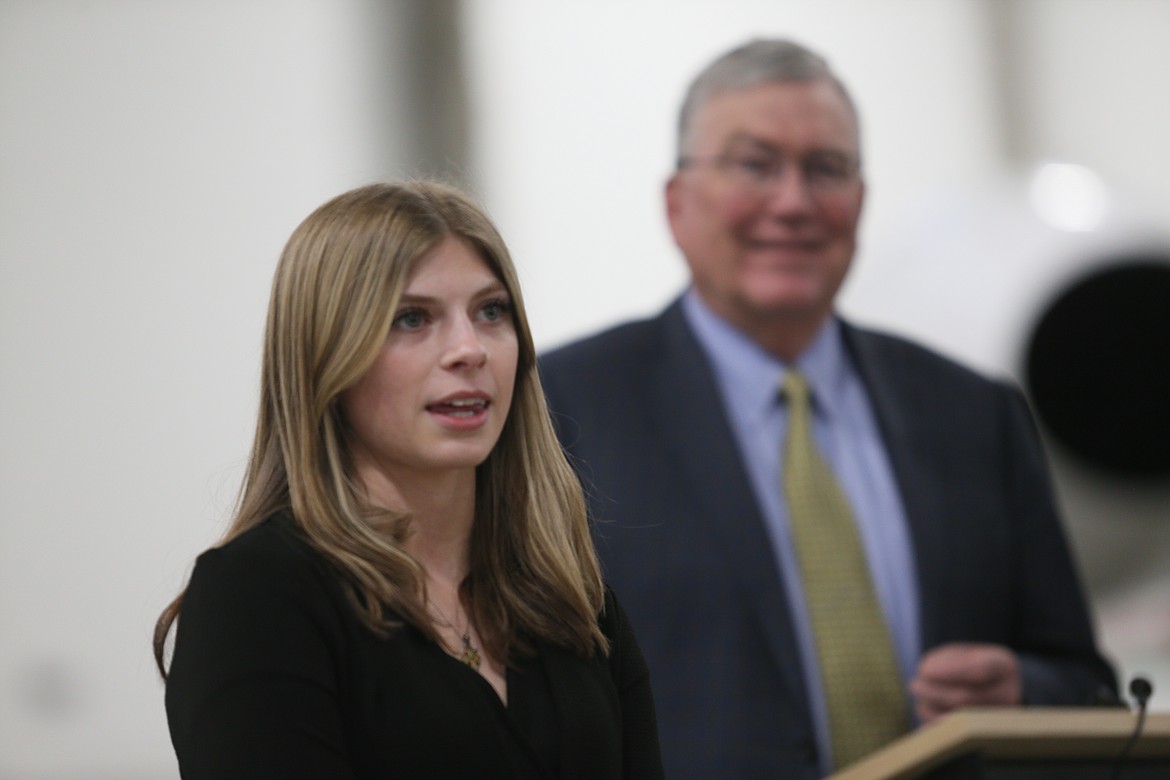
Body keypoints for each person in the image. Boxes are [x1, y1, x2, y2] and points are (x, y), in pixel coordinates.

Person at [538, 39, 1117, 779]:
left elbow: (1088, 684)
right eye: (754, 165)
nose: (793, 202)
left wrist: (1021, 691)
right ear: (677, 204)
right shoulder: (563, 413)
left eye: (826, 169)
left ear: (861, 201)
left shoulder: (977, 415)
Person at [153, 181, 664, 779]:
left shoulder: (569, 598)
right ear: (326, 357)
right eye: (412, 318)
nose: (468, 349)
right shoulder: (257, 597)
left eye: (491, 311)